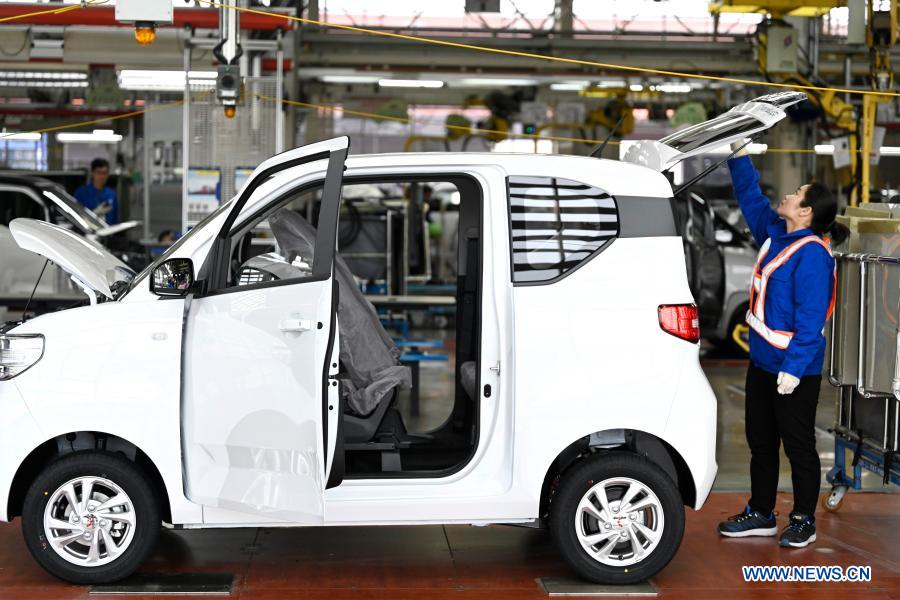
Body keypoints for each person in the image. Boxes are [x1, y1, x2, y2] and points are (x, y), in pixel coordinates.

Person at [717, 141, 841, 549]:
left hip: (794, 372)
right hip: (763, 364)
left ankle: (804, 519)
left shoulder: (813, 257)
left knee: (799, 446)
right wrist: (738, 158)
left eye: (797, 193)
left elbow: (811, 320)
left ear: (805, 212)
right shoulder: (776, 234)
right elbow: (752, 199)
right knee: (761, 442)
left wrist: (793, 369)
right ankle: (761, 512)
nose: (787, 195)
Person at [75, 158, 118, 225]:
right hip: (88, 233)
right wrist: (95, 213)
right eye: (98, 173)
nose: (102, 176)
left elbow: (115, 219)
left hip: (109, 231)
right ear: (92, 173)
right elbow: (76, 218)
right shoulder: (81, 193)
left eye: (104, 173)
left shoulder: (111, 194)